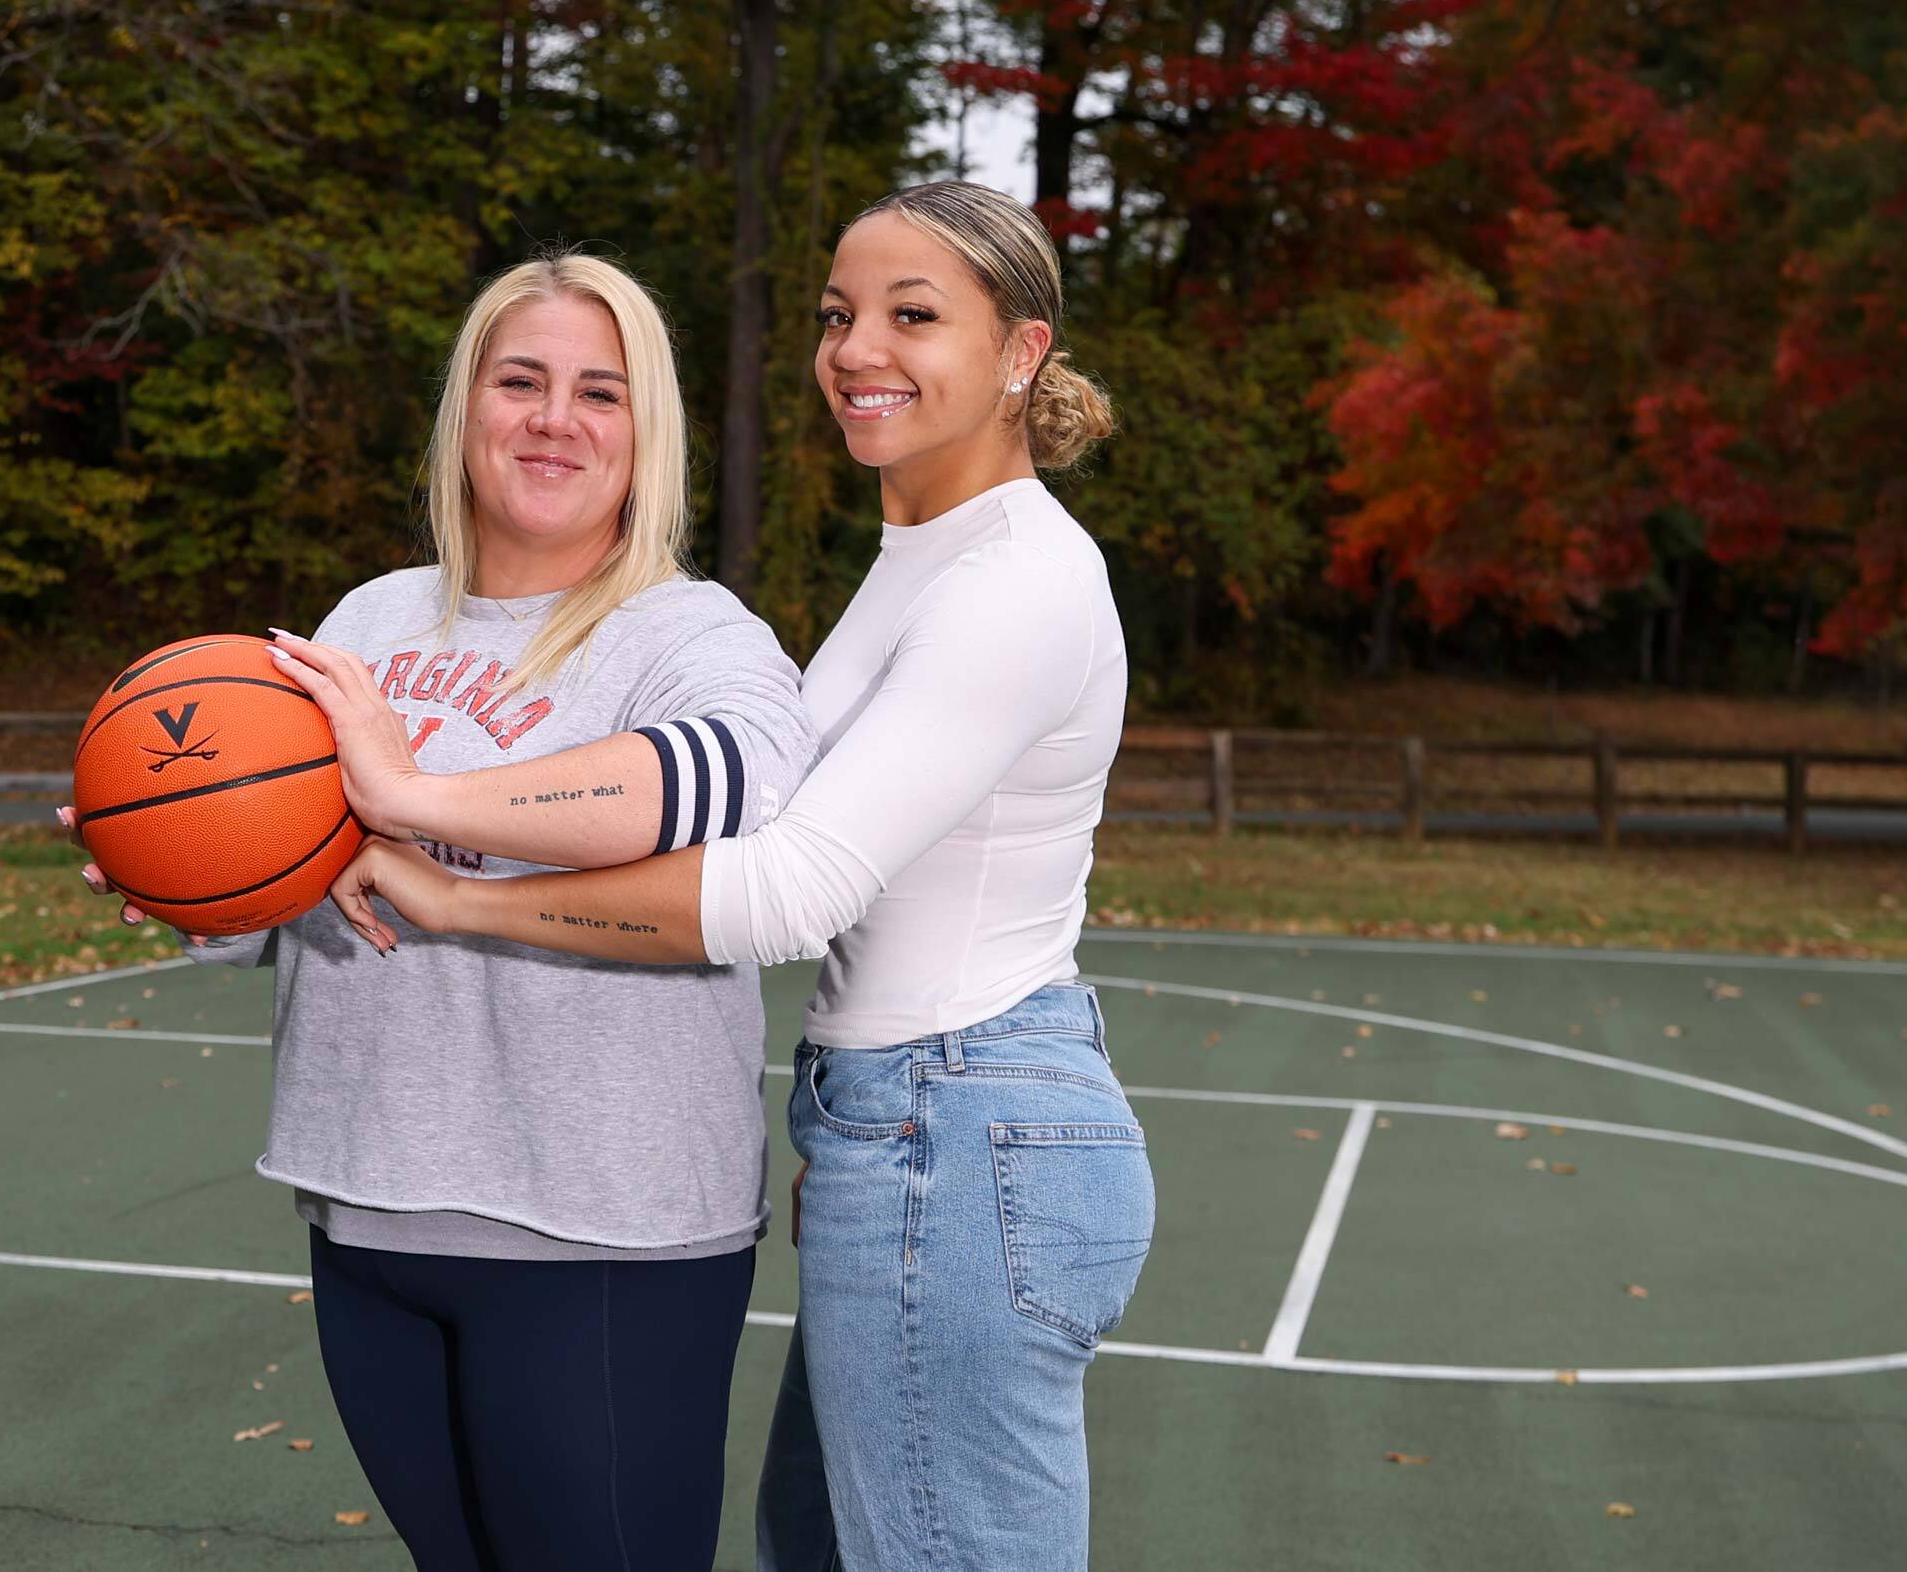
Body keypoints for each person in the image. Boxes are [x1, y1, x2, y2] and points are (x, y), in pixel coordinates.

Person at [277, 181, 1153, 1571]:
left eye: (914, 315)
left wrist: (457, 879)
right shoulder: (923, 558)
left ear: (1023, 352)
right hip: (902, 1121)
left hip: (963, 1116)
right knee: (821, 1545)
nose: (859, 348)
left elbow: (789, 888)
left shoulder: (1019, 580)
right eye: (839, 314)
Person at [71, 250, 817, 1570]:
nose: (552, 418)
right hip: (370, 1207)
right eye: (519, 379)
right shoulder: (370, 617)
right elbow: (284, 900)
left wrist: (411, 795)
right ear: (466, 406)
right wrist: (182, 870)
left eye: (600, 391)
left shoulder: (688, 633)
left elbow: (730, 788)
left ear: (649, 434)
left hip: (600, 1228)